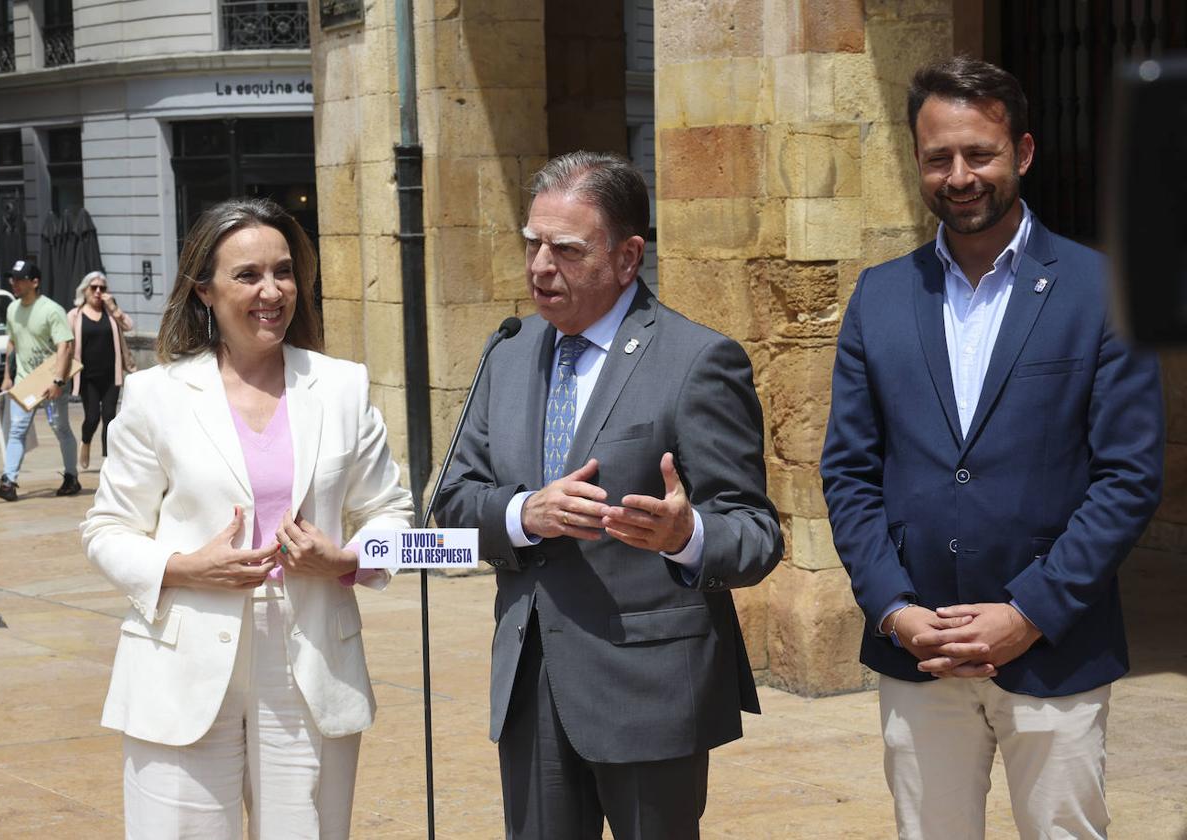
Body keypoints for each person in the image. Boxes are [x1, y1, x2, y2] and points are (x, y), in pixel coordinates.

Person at [820, 56, 1164, 839]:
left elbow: (1129, 476)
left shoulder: (1100, 288)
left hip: (1054, 651)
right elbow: (848, 471)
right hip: (921, 655)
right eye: (939, 157)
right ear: (917, 162)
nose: (960, 174)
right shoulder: (879, 296)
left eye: (980, 153)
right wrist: (894, 609)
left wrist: (1030, 611)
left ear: (1025, 153)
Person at [433, 151, 783, 840]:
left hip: (650, 690)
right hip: (531, 682)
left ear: (628, 258)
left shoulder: (697, 361)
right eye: (532, 244)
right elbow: (453, 500)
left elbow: (756, 533)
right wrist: (523, 514)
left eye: (565, 249)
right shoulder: (507, 352)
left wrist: (686, 537)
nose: (539, 266)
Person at [80, 198, 413, 838]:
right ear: (203, 289)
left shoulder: (342, 387)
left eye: (284, 272)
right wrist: (183, 567)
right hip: (181, 661)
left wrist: (345, 559)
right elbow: (107, 529)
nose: (272, 291)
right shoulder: (156, 395)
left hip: (309, 658)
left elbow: (389, 512)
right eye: (248, 275)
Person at [0, 259, 80, 502]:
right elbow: (12, 343)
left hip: (51, 379)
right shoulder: (12, 309)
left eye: (19, 279)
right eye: (12, 279)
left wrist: (58, 382)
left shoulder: (52, 310)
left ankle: (71, 476)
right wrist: (8, 376)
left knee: (60, 428)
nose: (14, 283)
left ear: (35, 282)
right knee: (16, 430)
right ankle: (8, 482)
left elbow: (65, 347)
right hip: (25, 381)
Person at [68, 270, 135, 470]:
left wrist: (114, 307)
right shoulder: (75, 315)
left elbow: (129, 326)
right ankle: (86, 440)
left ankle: (109, 459)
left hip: (111, 375)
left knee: (110, 417)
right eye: (94, 287)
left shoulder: (110, 313)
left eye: (102, 288)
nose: (98, 291)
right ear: (85, 290)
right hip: (87, 377)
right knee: (92, 417)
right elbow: (65, 343)